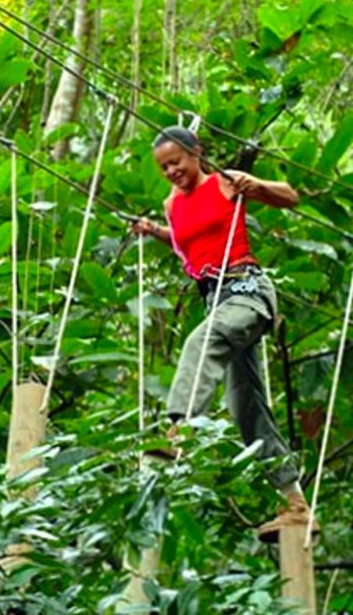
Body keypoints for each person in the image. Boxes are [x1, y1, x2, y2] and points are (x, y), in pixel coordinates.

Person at [133, 125, 319, 543]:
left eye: (176, 162)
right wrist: (156, 233)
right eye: (164, 167)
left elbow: (289, 197)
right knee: (245, 407)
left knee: (202, 342)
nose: (172, 171)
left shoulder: (225, 183)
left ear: (196, 153)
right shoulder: (170, 205)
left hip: (247, 292)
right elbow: (191, 247)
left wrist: (257, 185)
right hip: (217, 301)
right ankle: (295, 503)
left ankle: (178, 429)